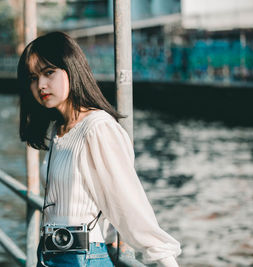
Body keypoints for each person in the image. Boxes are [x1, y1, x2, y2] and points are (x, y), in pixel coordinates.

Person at [17, 32, 181, 267]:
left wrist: (163, 257)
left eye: (49, 72)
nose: (40, 85)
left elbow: (128, 202)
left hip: (82, 258)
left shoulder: (97, 128)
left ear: (71, 68)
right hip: (52, 255)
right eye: (33, 78)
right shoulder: (59, 130)